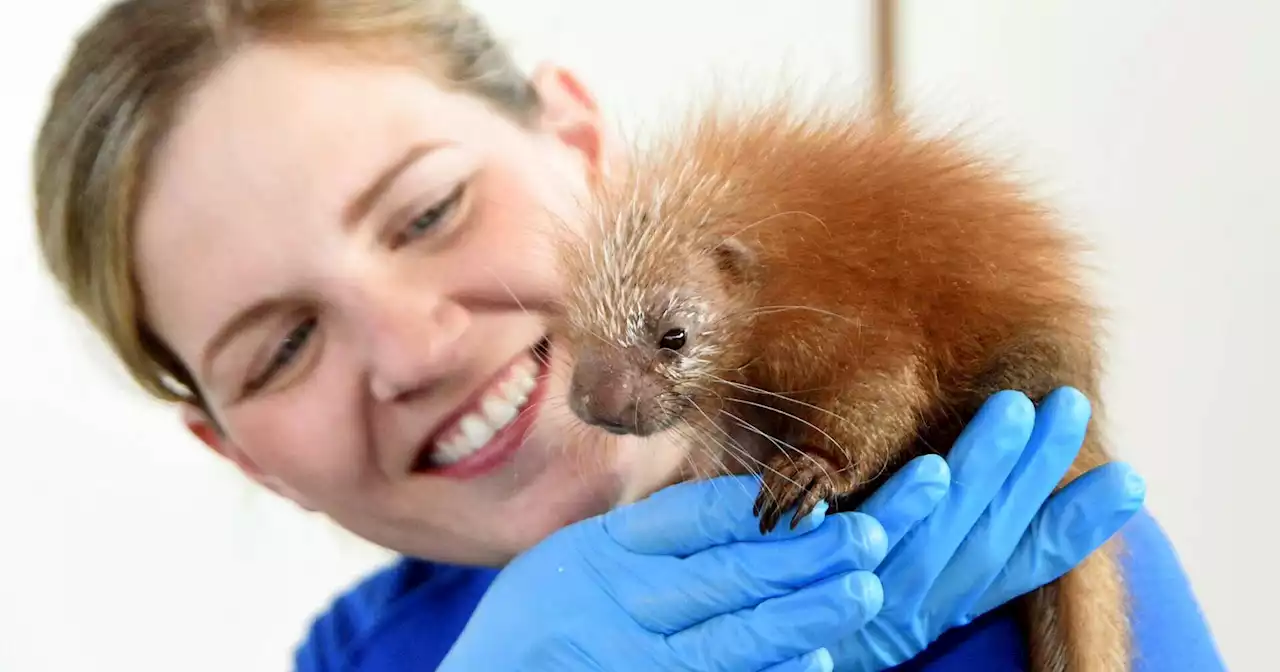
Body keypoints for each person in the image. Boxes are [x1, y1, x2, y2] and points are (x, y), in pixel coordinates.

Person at [31, 1, 1223, 670]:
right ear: (237, 451)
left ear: (583, 148)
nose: (413, 350)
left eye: (431, 209)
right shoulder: (360, 657)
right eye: (279, 348)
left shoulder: (994, 545)